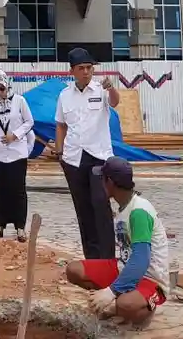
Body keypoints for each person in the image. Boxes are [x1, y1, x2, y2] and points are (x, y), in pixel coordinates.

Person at [65, 158, 170, 326]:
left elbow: (141, 260)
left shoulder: (139, 212)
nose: (100, 183)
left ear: (110, 182)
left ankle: (141, 307)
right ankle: (119, 299)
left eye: (102, 179)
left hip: (149, 278)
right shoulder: (124, 206)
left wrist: (111, 291)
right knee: (74, 270)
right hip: (123, 267)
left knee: (126, 305)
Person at [49, 47, 121, 260]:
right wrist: (60, 152)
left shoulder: (101, 90)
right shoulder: (65, 95)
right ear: (72, 71)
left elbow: (115, 102)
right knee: (83, 209)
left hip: (99, 156)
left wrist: (112, 89)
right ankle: (91, 257)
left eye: (89, 68)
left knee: (101, 206)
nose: (86, 72)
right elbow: (61, 125)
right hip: (73, 158)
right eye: (81, 68)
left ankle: (107, 258)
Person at [0, 70, 35, 241]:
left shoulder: (20, 101)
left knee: (18, 190)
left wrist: (15, 135)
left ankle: (20, 227)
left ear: (8, 86)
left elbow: (29, 122)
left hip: (16, 152)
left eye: (2, 89)